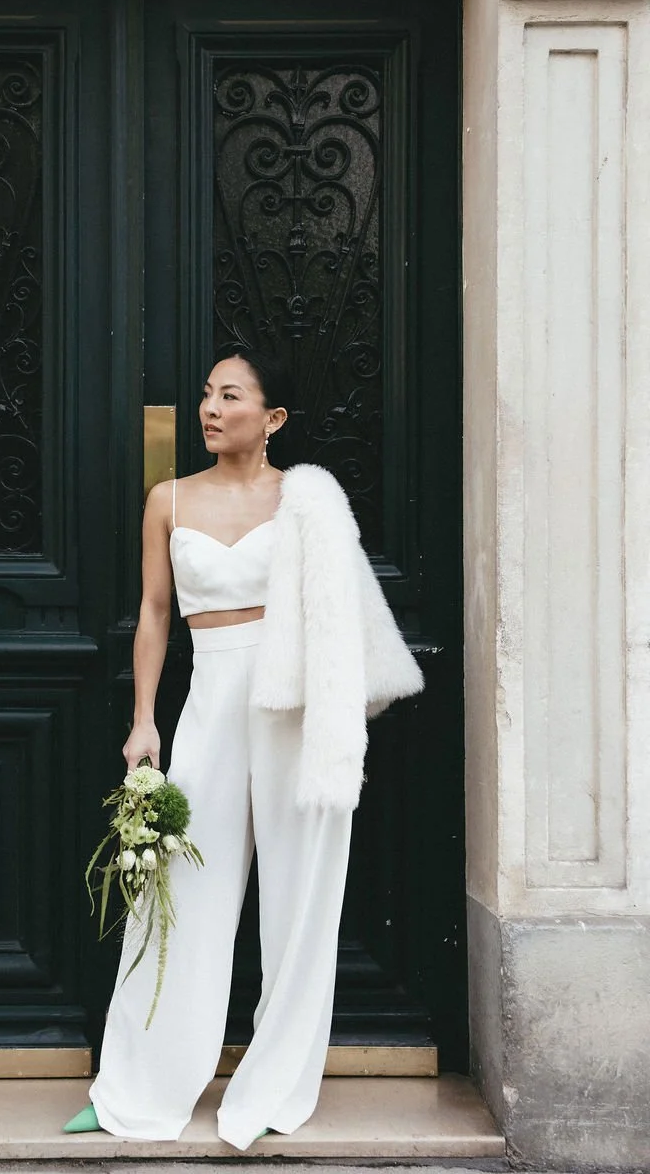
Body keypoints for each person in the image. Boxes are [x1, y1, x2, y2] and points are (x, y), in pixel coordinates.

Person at [65, 345, 424, 1149]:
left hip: (296, 701)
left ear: (273, 418)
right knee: (180, 892)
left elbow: (338, 612)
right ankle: (135, 1088)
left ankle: (271, 1087)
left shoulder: (305, 499)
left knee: (302, 899)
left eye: (230, 395)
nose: (210, 408)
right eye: (206, 394)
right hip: (211, 697)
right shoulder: (168, 498)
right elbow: (155, 612)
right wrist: (144, 719)